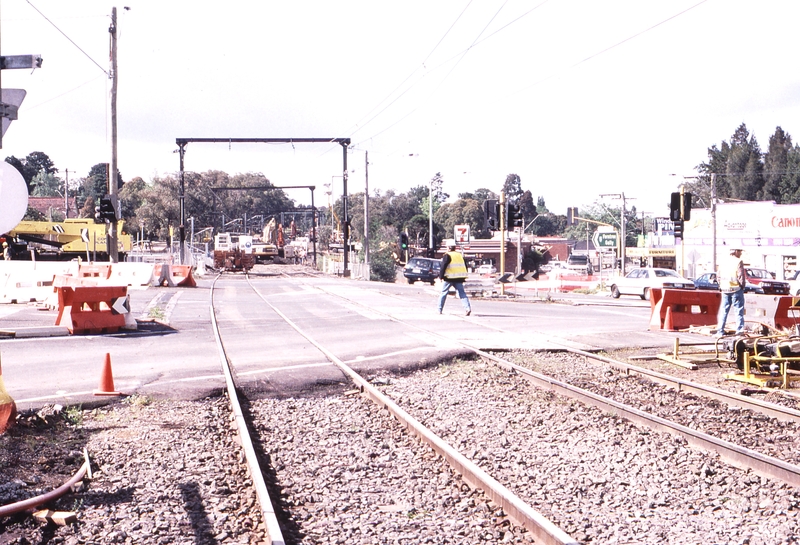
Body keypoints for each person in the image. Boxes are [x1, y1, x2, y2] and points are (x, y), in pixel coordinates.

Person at [716, 247, 746, 336]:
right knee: (738, 311)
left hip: (725, 289)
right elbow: (740, 276)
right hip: (736, 289)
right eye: (740, 251)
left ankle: (720, 331)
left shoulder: (723, 262)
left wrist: (722, 285)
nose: (741, 253)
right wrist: (742, 287)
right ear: (736, 251)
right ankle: (739, 331)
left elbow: (718, 276)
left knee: (724, 311)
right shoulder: (738, 261)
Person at [438, 241, 472, 316]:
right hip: (459, 278)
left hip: (449, 278)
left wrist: (440, 277)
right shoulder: (459, 255)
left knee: (443, 293)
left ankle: (439, 309)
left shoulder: (447, 255)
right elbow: (464, 266)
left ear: (449, 247)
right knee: (462, 294)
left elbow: (443, 266)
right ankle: (467, 308)